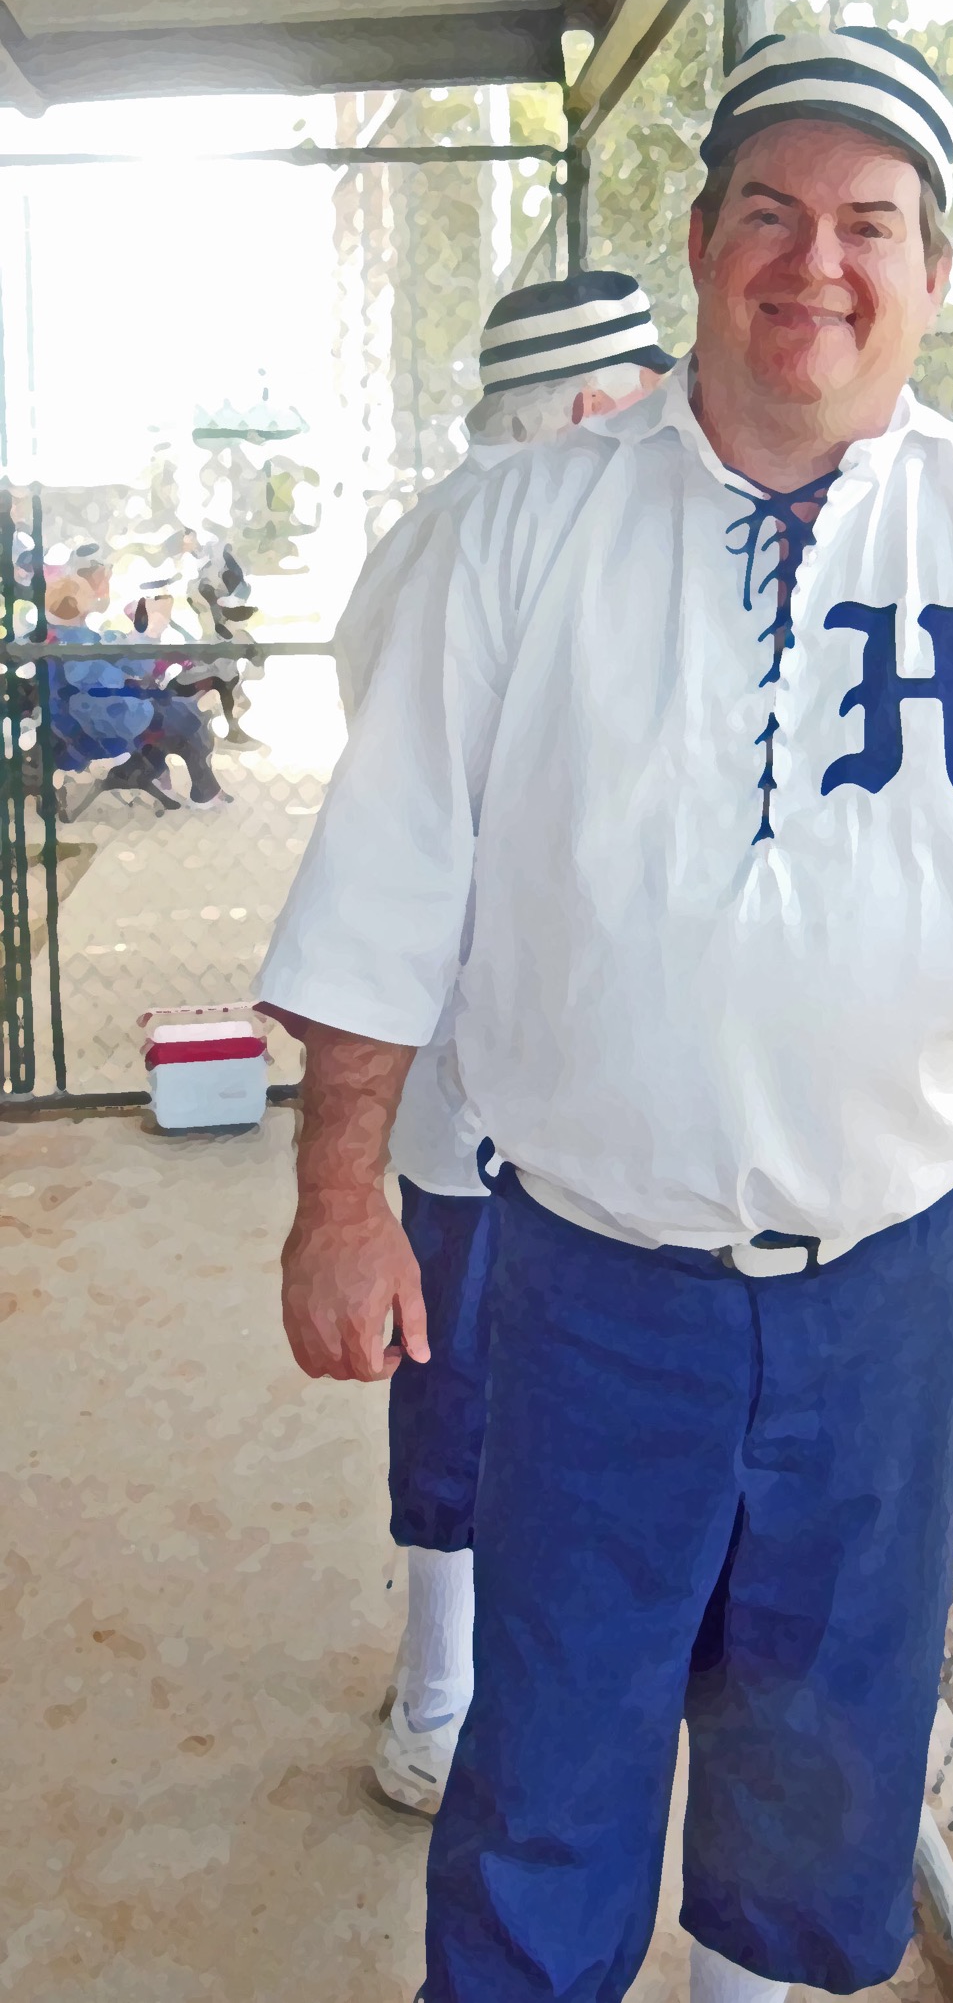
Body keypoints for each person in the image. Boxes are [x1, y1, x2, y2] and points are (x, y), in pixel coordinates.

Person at [255, 25, 953, 2003]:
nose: (814, 263)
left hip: (888, 1294)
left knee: (821, 1771)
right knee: (549, 1760)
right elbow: (386, 892)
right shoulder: (523, 535)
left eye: (870, 226)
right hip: (591, 1279)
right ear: (700, 241)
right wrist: (339, 1197)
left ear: (933, 276)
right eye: (771, 212)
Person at [333, 271, 673, 1815]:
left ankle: (445, 1686)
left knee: (465, 1366)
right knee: (472, 1368)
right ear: (596, 406)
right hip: (497, 1060)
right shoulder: (530, 535)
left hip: (485, 1063)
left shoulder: (440, 532)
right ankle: (443, 1699)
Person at [44, 571, 233, 810]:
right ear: (76, 605)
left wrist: (139, 636)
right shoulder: (73, 644)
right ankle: (196, 789)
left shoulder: (57, 636)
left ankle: (151, 774)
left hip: (85, 719)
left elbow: (123, 663)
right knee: (189, 719)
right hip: (101, 721)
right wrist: (151, 634)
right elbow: (110, 676)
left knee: (182, 713)